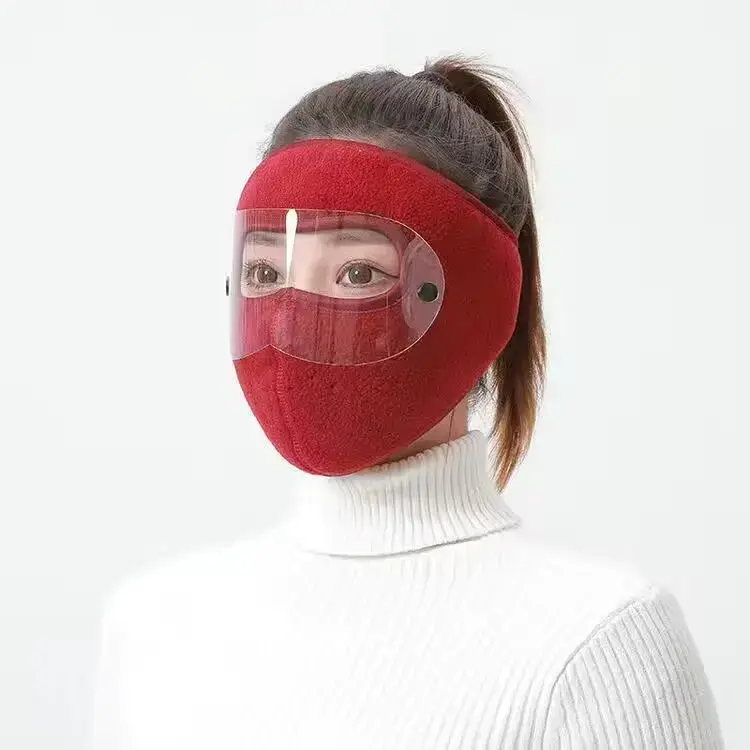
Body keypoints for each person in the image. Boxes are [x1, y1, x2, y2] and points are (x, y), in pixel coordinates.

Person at [89, 55, 723, 749]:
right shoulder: (152, 629)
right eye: (266, 272)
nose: (293, 320)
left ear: (480, 304)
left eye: (358, 273)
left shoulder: (598, 643)